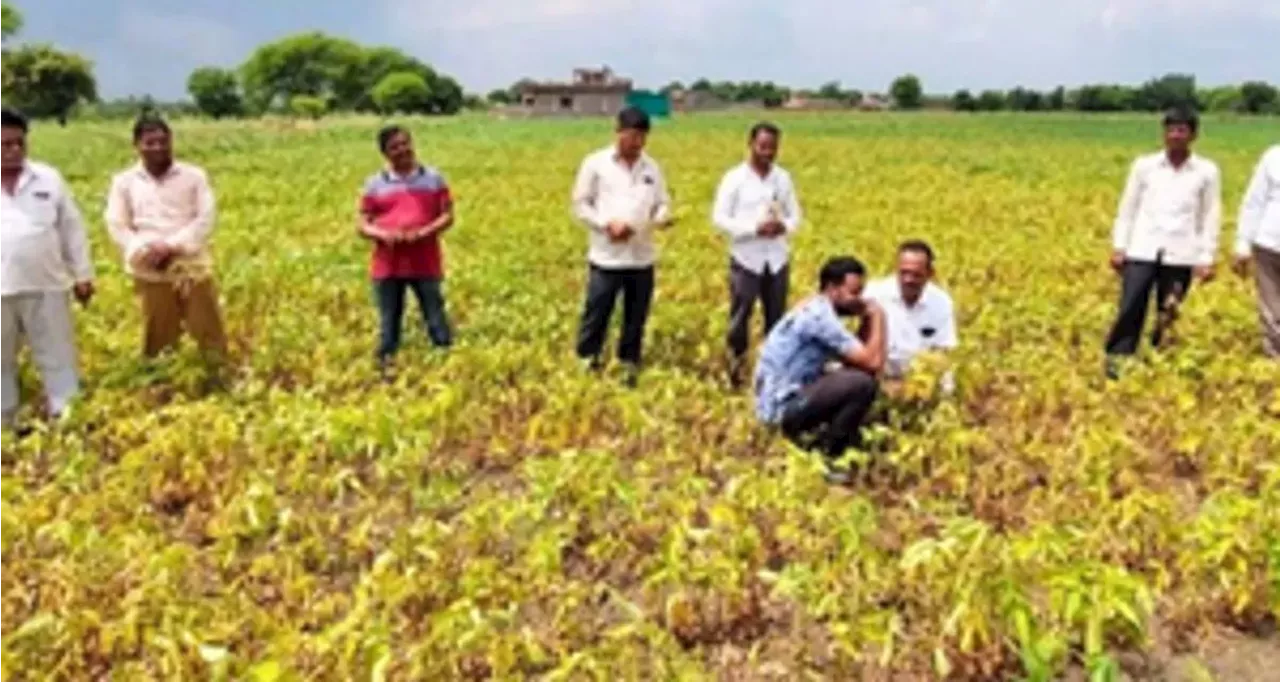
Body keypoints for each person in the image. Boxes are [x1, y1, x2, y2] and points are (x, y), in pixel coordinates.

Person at [1104, 106, 1221, 378]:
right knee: (1130, 305)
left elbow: (1210, 214)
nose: (1176, 135)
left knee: (1169, 310)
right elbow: (1128, 208)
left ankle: (1160, 361)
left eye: (1182, 130)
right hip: (1142, 247)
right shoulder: (1144, 167)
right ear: (1164, 134)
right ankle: (1117, 361)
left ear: (1193, 135)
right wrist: (1120, 245)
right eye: (1171, 130)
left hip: (1181, 252)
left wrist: (1206, 257)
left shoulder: (1206, 171)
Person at [105, 115, 228, 362]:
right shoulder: (124, 182)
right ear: (136, 146)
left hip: (191, 264)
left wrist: (171, 246)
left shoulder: (194, 176)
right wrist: (145, 248)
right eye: (150, 143)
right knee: (158, 329)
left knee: (206, 323)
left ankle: (215, 373)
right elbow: (117, 223)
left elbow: (205, 217)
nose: (158, 148)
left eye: (163, 141)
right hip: (150, 265)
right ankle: (160, 380)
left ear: (171, 142)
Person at [0, 107, 95, 428]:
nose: (13, 150)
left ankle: (67, 417)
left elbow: (72, 228)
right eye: (4, 144)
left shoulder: (47, 178)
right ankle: (6, 423)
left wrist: (82, 274)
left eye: (18, 143)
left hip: (47, 284)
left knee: (57, 354)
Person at [754, 256, 886, 483]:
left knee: (853, 378)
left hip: (782, 396)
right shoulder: (820, 319)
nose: (859, 301)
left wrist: (865, 320)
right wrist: (878, 318)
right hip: (782, 406)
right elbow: (873, 362)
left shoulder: (815, 307)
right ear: (833, 289)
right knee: (862, 385)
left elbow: (858, 358)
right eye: (854, 293)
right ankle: (831, 454)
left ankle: (823, 440)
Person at [571, 106, 673, 385]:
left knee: (635, 319)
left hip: (641, 257)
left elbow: (662, 201)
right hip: (607, 256)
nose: (636, 143)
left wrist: (661, 217)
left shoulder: (652, 168)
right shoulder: (596, 164)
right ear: (618, 132)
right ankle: (587, 363)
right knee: (597, 314)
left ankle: (628, 367)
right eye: (631, 136)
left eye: (642, 137)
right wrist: (607, 224)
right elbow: (581, 204)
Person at [358, 125, 454, 376]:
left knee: (435, 316)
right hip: (387, 265)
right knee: (389, 321)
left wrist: (424, 232)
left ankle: (447, 364)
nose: (402, 150)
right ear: (385, 153)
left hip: (425, 261)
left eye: (405, 143)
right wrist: (385, 235)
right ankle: (385, 368)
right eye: (395, 147)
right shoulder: (374, 184)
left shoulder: (433, 178)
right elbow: (363, 224)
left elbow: (447, 216)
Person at [712, 121, 803, 387]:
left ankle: (772, 376)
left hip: (777, 259)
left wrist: (783, 226)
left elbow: (795, 215)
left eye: (772, 147)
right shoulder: (734, 178)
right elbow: (719, 217)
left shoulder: (782, 178)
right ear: (750, 144)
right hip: (746, 259)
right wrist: (754, 229)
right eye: (762, 146)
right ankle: (735, 374)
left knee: (777, 321)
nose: (767, 152)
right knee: (739, 320)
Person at [864, 240, 958, 393]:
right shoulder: (873, 293)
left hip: (918, 377)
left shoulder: (941, 302)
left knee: (948, 386)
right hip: (879, 373)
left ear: (930, 274)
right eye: (904, 272)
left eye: (916, 275)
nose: (908, 280)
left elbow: (943, 349)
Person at [1233, 144, 1280, 357]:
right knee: (1271, 310)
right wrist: (1242, 244)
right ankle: (1275, 360)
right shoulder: (1273, 156)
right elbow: (1254, 202)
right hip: (1270, 243)